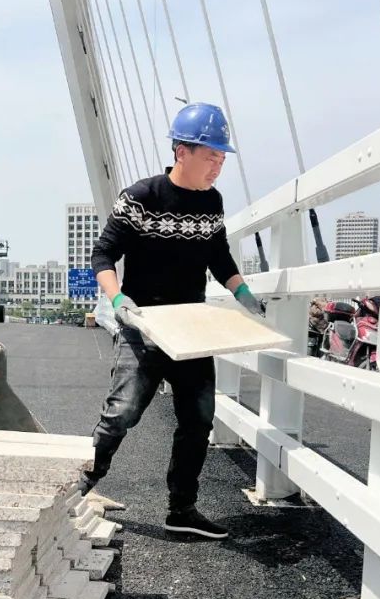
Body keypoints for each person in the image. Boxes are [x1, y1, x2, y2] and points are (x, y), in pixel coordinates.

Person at [84, 102, 266, 540]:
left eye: (222, 158)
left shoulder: (212, 202)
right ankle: (75, 489)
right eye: (211, 156)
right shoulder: (141, 197)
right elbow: (103, 254)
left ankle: (182, 510)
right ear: (182, 152)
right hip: (143, 323)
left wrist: (242, 292)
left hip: (191, 326)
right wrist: (118, 298)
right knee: (123, 412)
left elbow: (219, 256)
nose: (218, 166)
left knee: (198, 420)